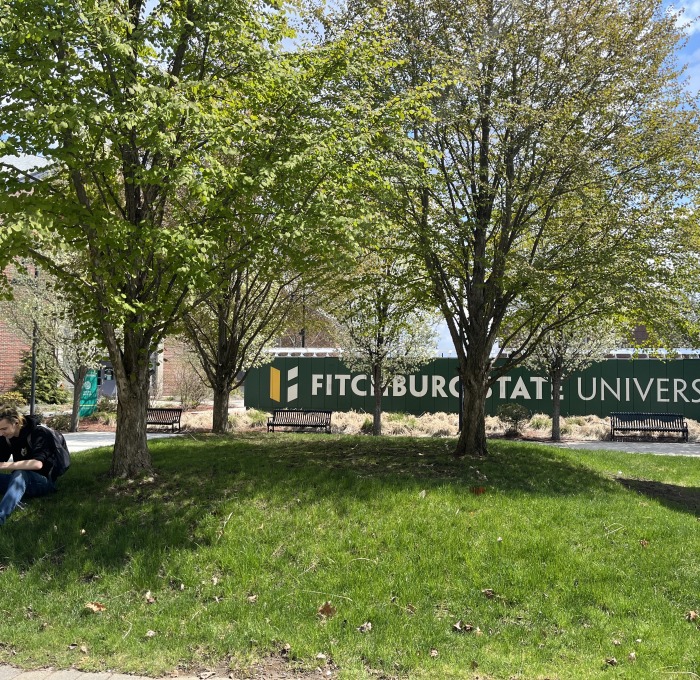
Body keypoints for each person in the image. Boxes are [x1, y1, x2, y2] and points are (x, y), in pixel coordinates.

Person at [0, 405, 63, 526]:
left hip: (44, 482)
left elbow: (37, 464)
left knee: (20, 473)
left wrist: (4, 465)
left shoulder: (38, 433)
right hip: (18, 481)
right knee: (18, 474)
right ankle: (15, 495)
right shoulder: (6, 437)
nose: (1, 433)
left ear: (16, 423)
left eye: (4, 429)